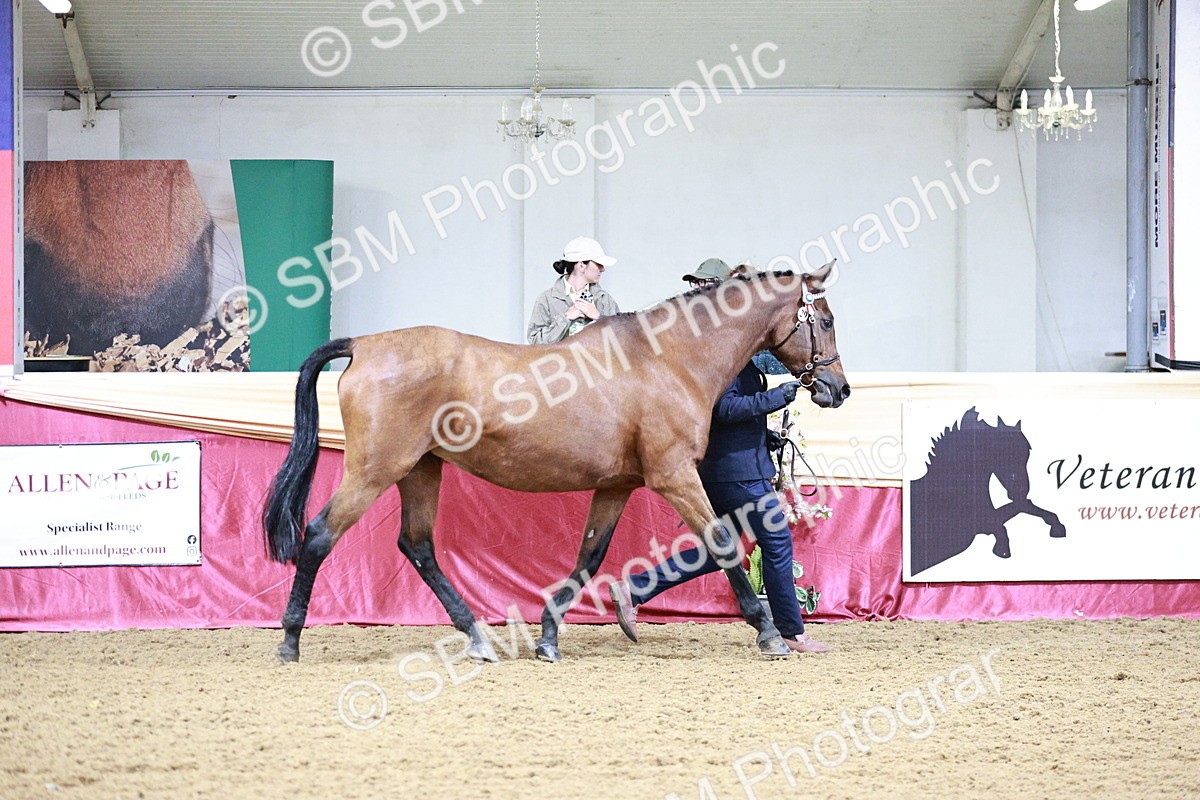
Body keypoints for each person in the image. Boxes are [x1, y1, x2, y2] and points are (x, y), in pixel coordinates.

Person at [609, 258, 830, 655]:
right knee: (776, 541)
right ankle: (791, 632)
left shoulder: (728, 348)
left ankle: (635, 588)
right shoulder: (719, 352)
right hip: (738, 472)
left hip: (732, 466)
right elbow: (724, 409)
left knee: (718, 551)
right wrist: (773, 399)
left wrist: (769, 436)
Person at [527, 236, 621, 344]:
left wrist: (598, 318)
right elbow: (535, 343)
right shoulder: (546, 300)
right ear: (581, 265)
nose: (603, 269)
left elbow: (621, 342)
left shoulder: (605, 300)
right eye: (598, 263)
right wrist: (565, 318)